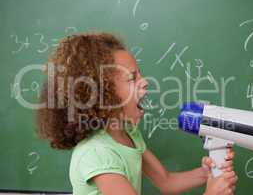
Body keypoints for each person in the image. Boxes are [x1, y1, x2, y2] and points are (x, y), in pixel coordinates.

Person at [37, 32, 237, 195]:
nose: (145, 81)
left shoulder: (129, 134)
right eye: (132, 78)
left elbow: (167, 182)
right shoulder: (97, 154)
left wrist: (206, 173)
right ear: (103, 95)